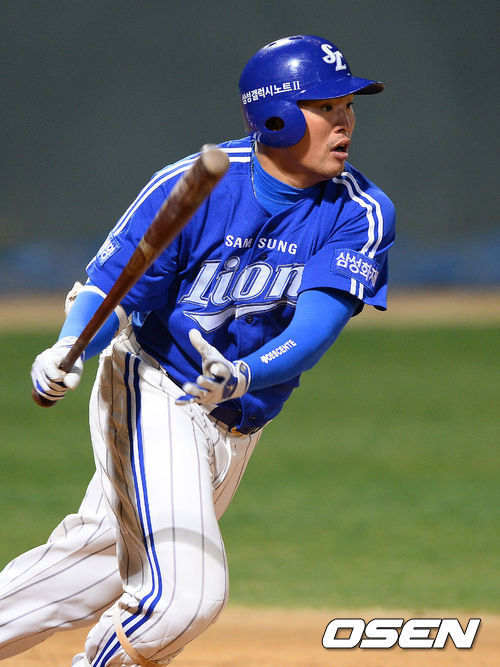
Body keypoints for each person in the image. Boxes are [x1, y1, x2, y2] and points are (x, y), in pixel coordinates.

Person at [0, 34, 395, 666]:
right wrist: (68, 344)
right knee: (185, 597)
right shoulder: (194, 186)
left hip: (237, 417)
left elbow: (314, 329)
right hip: (154, 385)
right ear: (278, 115)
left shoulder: (360, 211)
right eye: (327, 106)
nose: (345, 120)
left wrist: (242, 375)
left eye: (348, 105)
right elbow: (114, 292)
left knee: (92, 566)